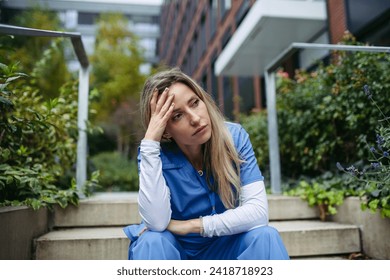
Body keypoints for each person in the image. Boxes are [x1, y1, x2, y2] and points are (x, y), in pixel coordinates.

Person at [123, 67, 289, 260]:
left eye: (194, 103)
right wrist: (151, 140)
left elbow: (258, 213)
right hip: (174, 251)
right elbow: (157, 223)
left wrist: (191, 226)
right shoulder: (153, 154)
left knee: (265, 236)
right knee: (152, 241)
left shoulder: (234, 137)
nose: (195, 119)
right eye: (177, 116)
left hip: (226, 248)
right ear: (165, 130)